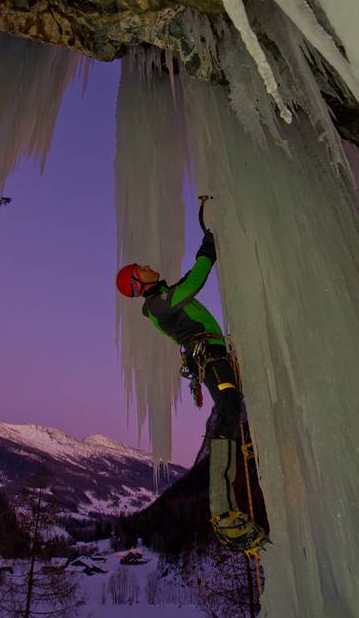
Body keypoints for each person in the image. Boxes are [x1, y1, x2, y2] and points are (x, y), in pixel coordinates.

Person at [116, 231, 265, 552]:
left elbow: (184, 283)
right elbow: (194, 281)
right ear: (138, 285)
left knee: (233, 404)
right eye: (139, 268)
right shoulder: (158, 304)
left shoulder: (163, 297)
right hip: (209, 355)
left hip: (215, 354)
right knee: (228, 405)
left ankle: (251, 448)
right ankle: (222, 509)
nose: (146, 265)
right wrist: (208, 247)